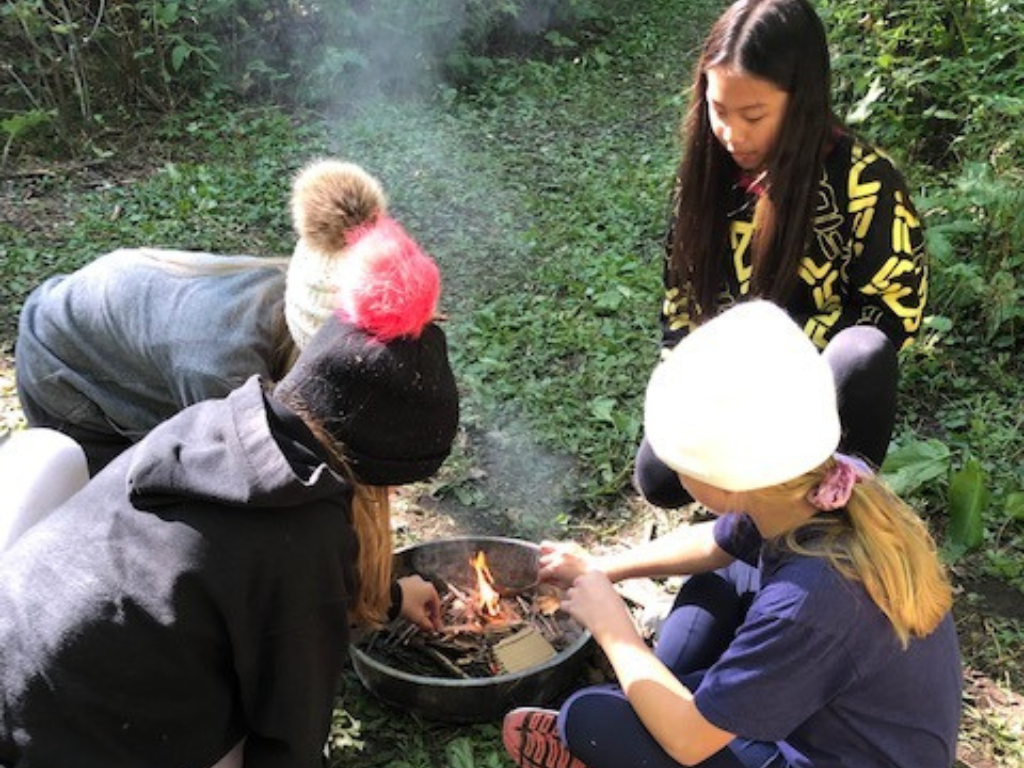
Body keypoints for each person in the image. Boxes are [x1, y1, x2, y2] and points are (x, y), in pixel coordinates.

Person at [0, 220, 459, 767]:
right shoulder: (303, 545)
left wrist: (385, 596)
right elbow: (290, 737)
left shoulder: (215, 420)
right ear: (379, 468)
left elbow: (229, 567)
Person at [502, 300, 961, 768]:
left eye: (680, 463)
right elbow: (714, 544)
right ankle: (664, 696)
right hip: (834, 718)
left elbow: (689, 743)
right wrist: (602, 568)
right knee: (726, 573)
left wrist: (614, 630)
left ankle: (655, 705)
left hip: (821, 756)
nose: (672, 469)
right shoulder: (814, 488)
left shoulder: (810, 602)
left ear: (726, 482)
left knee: (589, 718)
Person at [635, 0, 928, 509]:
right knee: (659, 478)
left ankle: (836, 503)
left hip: (813, 384)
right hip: (729, 382)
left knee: (865, 353)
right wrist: (689, 378)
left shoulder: (865, 182)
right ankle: (755, 507)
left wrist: (775, 364)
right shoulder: (705, 177)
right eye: (718, 110)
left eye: (753, 115)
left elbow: (894, 309)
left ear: (802, 102)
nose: (732, 134)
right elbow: (679, 302)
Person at [14, 158, 387, 476]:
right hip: (60, 363)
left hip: (120, 313)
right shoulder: (222, 371)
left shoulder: (291, 293)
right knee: (132, 500)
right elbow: (238, 481)